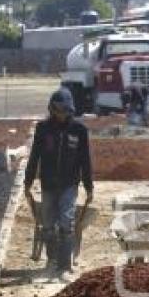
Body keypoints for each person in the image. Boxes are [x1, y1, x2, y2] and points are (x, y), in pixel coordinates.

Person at [24, 89, 93, 282]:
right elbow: (34, 157)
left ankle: (64, 266)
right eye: (57, 110)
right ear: (52, 109)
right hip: (48, 184)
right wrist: (27, 183)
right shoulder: (43, 129)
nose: (61, 114)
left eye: (64, 110)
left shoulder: (79, 130)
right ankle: (51, 261)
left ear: (70, 110)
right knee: (47, 223)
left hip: (69, 184)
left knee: (66, 222)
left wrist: (89, 187)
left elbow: (85, 161)